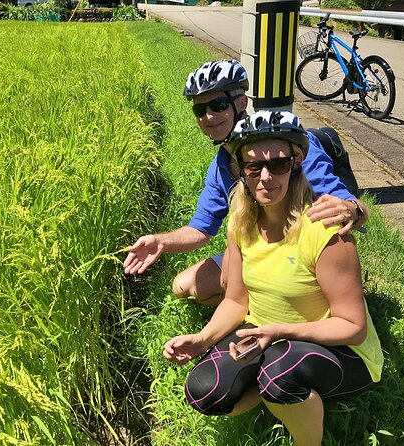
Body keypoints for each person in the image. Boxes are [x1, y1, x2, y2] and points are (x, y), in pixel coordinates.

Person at [162, 111, 383, 445]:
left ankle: (304, 432)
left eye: (278, 164)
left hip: (341, 348)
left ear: (295, 164)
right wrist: (204, 338)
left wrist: (280, 331)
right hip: (268, 337)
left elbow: (353, 326)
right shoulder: (242, 225)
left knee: (279, 376)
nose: (266, 177)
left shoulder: (326, 231)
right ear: (240, 171)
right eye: (254, 167)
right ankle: (279, 398)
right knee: (205, 391)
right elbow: (236, 300)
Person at [122, 60, 369, 306]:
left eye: (218, 105)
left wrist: (354, 210)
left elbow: (347, 204)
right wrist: (160, 242)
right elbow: (200, 229)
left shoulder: (286, 146)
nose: (208, 116)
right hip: (262, 245)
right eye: (200, 110)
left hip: (302, 245)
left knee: (233, 269)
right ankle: (262, 302)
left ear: (241, 103)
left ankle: (292, 302)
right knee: (184, 286)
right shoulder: (221, 166)